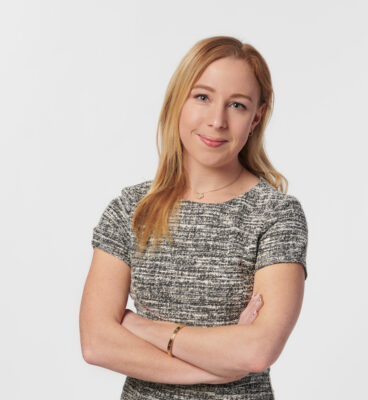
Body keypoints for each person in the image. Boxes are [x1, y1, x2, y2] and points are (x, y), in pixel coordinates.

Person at [79, 35, 308, 400]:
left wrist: (143, 327)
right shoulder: (131, 210)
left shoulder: (276, 214)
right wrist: (219, 369)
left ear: (256, 117)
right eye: (203, 97)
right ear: (178, 102)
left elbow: (257, 351)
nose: (217, 121)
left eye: (237, 105)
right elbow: (97, 343)